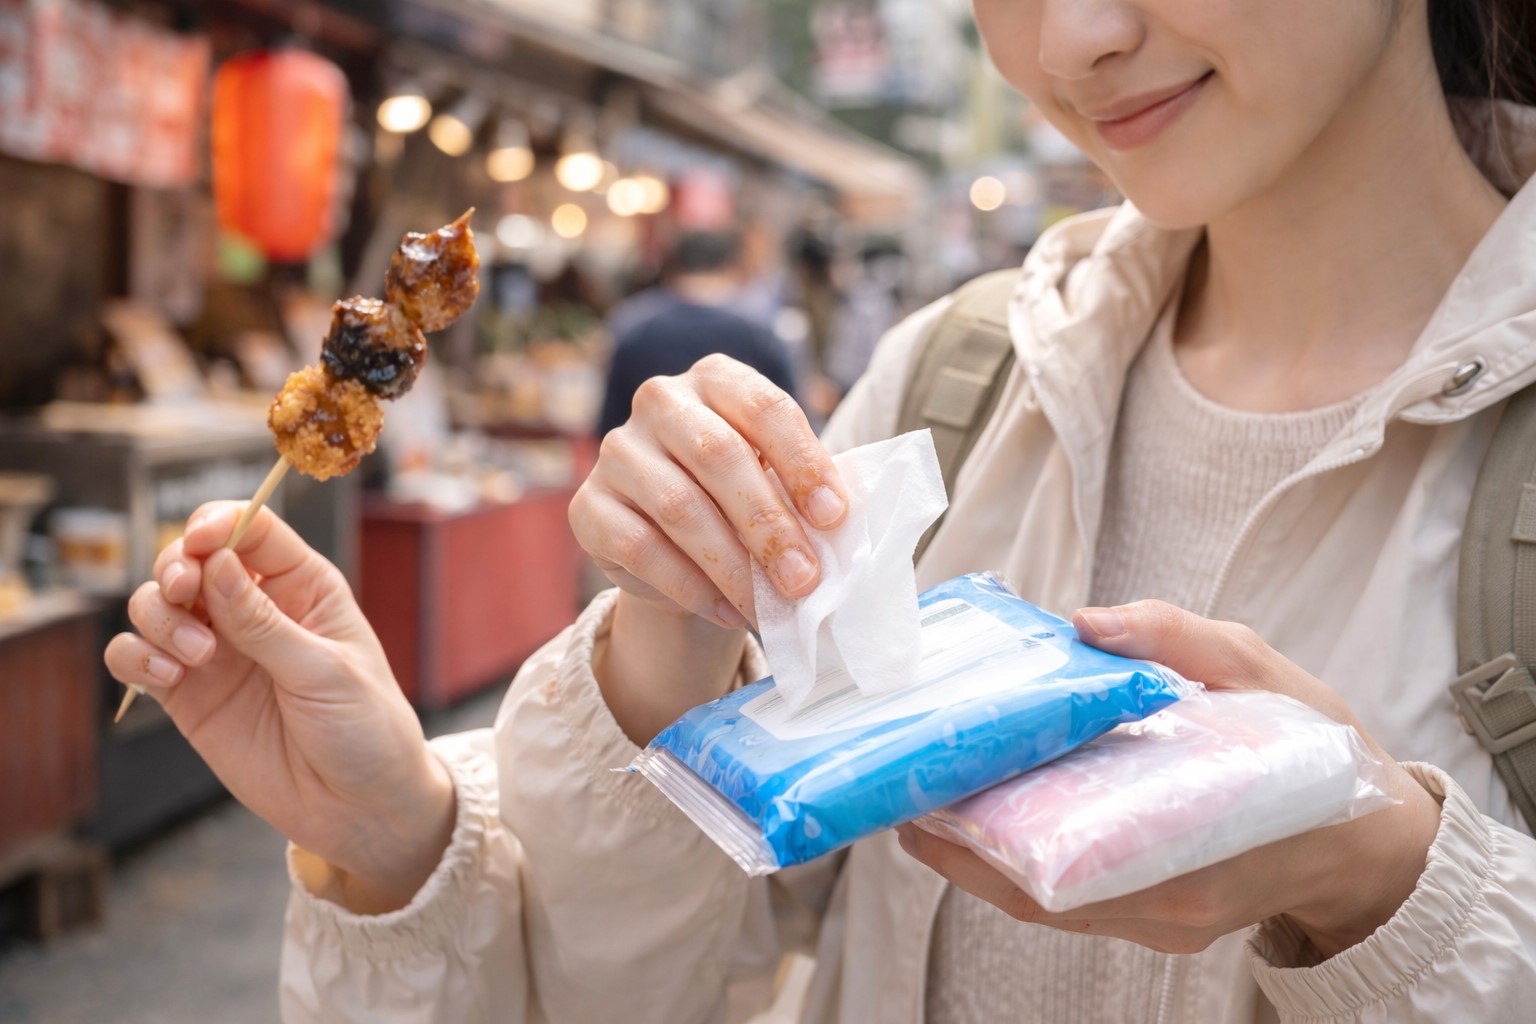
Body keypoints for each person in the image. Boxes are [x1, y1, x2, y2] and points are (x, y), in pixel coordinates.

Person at [106, 1, 1536, 1020]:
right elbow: (635, 988)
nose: (1069, 42)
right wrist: (407, 829)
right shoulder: (953, 382)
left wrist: (1389, 891)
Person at [597, 230, 797, 436]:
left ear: (671, 268)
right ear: (733, 266)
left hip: (646, 460)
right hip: (748, 463)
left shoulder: (631, 321)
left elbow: (610, 423)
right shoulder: (762, 325)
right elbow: (792, 415)